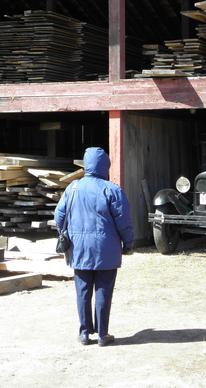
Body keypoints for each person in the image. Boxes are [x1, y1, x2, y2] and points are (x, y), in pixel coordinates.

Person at [54, 147, 133, 347]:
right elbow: (123, 222)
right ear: (105, 165)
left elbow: (59, 216)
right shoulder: (113, 190)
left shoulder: (72, 188)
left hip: (78, 249)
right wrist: (129, 242)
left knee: (82, 291)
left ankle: (84, 333)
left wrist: (67, 234)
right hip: (106, 249)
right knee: (103, 291)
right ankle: (102, 334)